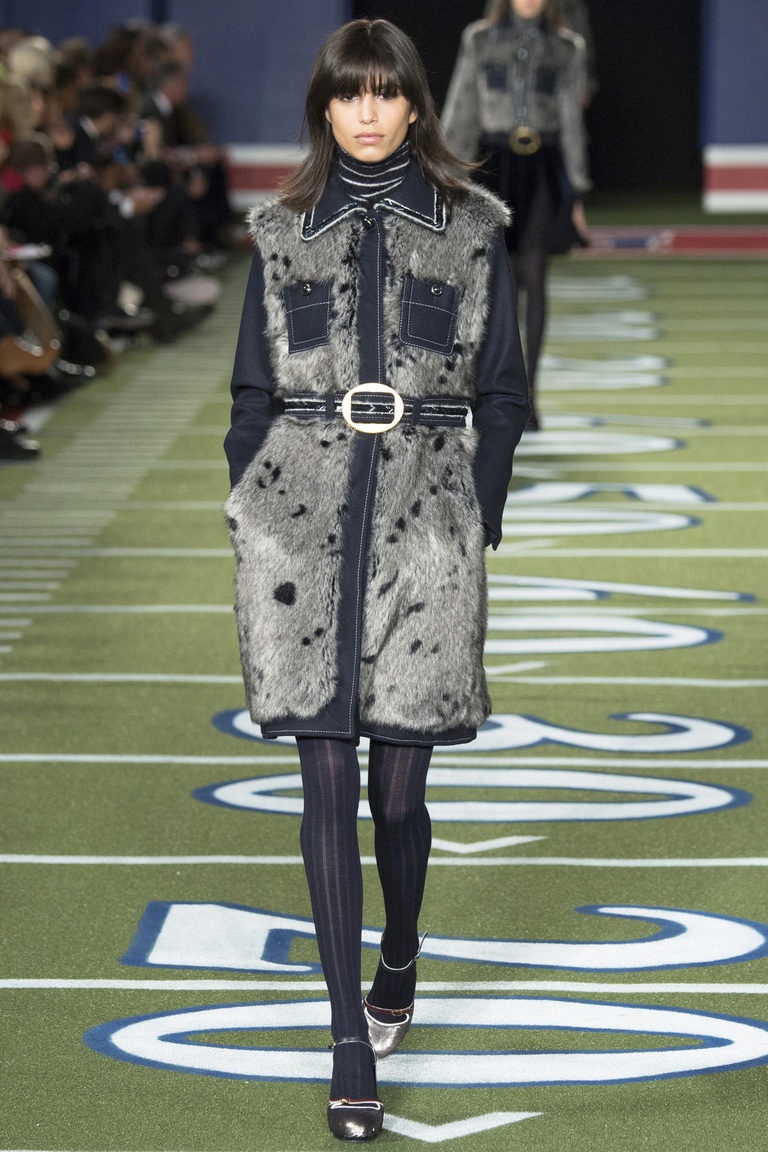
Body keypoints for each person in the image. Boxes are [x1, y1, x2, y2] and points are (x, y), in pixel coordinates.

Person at [224, 18, 529, 1141]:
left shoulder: (472, 228)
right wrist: (252, 506)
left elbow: (502, 394)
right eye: (347, 94)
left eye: (384, 93)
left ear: (412, 106)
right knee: (322, 789)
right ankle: (349, 1043)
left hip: (425, 531)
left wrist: (470, 516)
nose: (366, 112)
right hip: (299, 540)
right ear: (325, 107)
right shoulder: (281, 233)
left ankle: (400, 951)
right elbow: (251, 393)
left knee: (398, 797)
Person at [442, 0, 591, 430]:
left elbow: (571, 119)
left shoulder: (567, 47)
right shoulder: (479, 39)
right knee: (500, 283)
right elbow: (461, 110)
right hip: (494, 165)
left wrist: (578, 190)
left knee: (535, 273)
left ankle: (530, 394)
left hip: (544, 166)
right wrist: (449, 180)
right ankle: (501, 391)